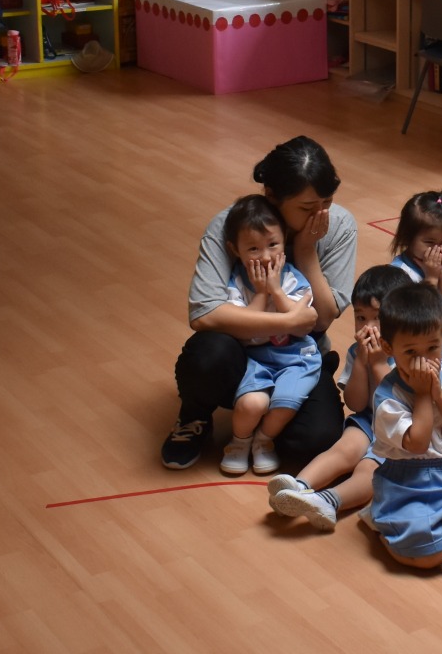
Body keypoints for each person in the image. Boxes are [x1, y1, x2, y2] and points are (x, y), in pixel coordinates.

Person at [165, 137, 357, 471]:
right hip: (241, 353)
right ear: (272, 197)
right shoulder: (232, 225)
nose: (321, 214)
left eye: (327, 202)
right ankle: (195, 415)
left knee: (316, 441)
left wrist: (306, 249)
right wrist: (286, 322)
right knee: (208, 354)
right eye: (307, 207)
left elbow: (324, 318)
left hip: (297, 355)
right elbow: (204, 313)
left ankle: (267, 420)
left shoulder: (337, 225)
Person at [267, 265, 402, 530]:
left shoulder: (407, 354)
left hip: (399, 430)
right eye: (361, 318)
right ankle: (298, 487)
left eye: (377, 318)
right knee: (343, 450)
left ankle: (329, 500)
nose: (368, 327)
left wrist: (377, 363)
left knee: (369, 469)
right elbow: (356, 403)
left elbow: (395, 403)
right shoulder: (357, 351)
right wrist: (361, 362)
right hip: (368, 420)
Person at [366, 282, 442, 570]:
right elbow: (417, 444)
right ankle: (381, 522)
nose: (424, 361)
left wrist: (438, 395)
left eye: (433, 347)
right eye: (411, 352)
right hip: (404, 484)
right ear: (389, 348)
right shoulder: (387, 396)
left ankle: (425, 527)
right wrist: (422, 394)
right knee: (432, 556)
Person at [216, 195, 322, 477]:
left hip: (296, 356)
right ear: (235, 249)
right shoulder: (237, 282)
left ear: (284, 240)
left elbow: (300, 325)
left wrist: (276, 289)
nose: (265, 256)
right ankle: (239, 442)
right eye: (253, 248)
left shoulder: (293, 278)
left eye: (272, 245)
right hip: (255, 357)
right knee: (252, 404)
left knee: (285, 403)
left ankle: (263, 440)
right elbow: (244, 327)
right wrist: (262, 292)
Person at [389, 191, 442, 333]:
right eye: (430, 242)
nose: (438, 249)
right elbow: (417, 316)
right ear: (407, 238)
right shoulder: (398, 272)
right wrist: (431, 278)